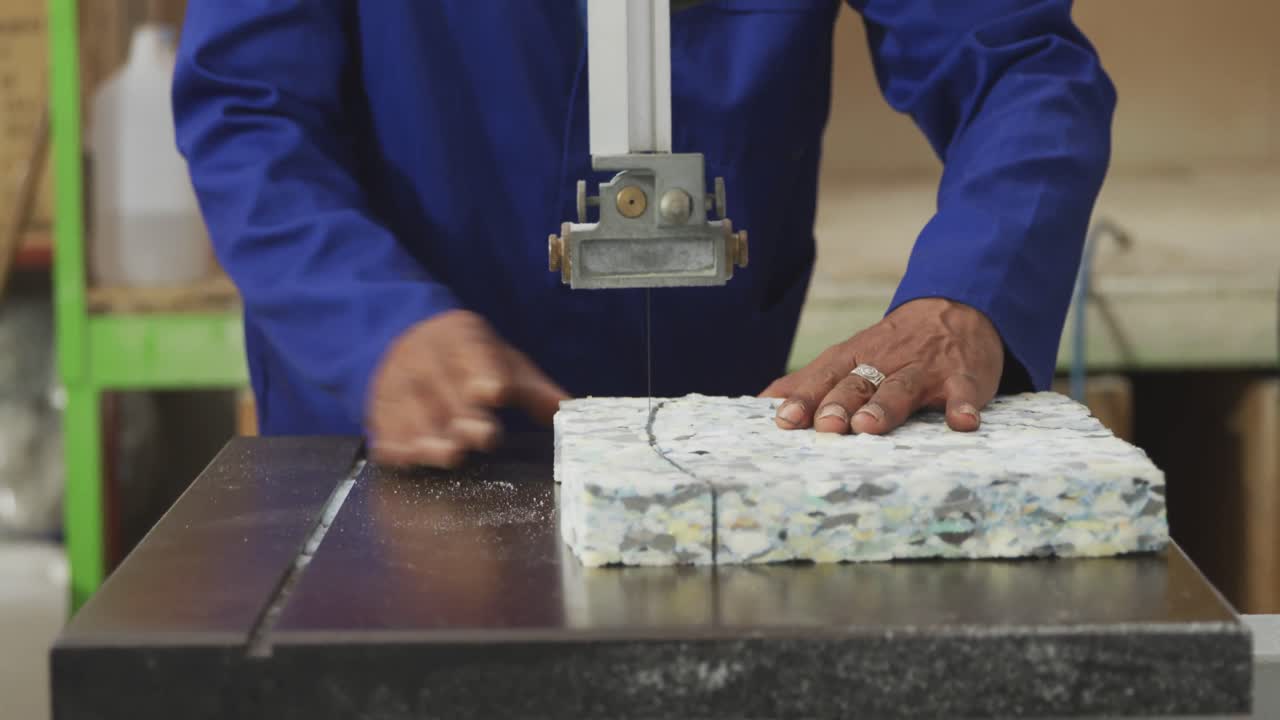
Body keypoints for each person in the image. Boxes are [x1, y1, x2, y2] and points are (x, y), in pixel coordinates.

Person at [173, 1, 1114, 468]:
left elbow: (1019, 66)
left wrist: (969, 292)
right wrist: (372, 325)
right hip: (396, 427)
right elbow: (248, 108)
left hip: (716, 449)